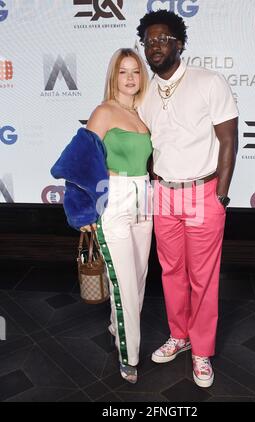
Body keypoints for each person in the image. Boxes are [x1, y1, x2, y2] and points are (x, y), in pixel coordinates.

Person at [137, 10, 238, 388]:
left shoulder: (208, 81)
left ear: (179, 42)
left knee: (203, 278)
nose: (155, 46)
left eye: (163, 39)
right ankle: (179, 336)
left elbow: (229, 140)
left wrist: (221, 196)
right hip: (163, 193)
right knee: (172, 274)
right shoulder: (144, 91)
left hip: (203, 193)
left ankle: (201, 351)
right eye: (149, 41)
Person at [81, 48, 153, 384]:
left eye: (135, 72)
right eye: (123, 71)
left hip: (145, 201)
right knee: (124, 285)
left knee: (137, 281)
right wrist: (83, 209)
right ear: (114, 76)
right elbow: (82, 162)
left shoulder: (142, 115)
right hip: (114, 201)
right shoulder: (103, 112)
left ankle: (116, 326)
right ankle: (130, 356)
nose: (129, 78)